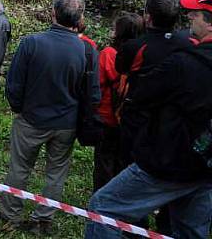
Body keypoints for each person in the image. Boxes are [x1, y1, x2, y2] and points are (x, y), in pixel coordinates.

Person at [84, 29, 212, 239]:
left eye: (196, 14)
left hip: (167, 161)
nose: (190, 18)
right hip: (203, 165)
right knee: (189, 230)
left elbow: (140, 95)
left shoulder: (183, 63)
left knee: (103, 207)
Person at [0, 0, 100, 235]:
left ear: (53, 13)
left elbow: (14, 84)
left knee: (19, 167)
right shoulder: (87, 50)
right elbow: (93, 94)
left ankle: (10, 212)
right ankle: (43, 218)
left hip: (32, 119)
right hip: (66, 123)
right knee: (56, 173)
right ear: (80, 17)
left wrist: (20, 108)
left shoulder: (32, 43)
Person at [93, 12, 144, 192]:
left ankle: (101, 201)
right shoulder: (142, 56)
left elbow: (97, 84)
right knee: (123, 163)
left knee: (104, 161)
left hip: (107, 117)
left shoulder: (108, 54)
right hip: (130, 119)